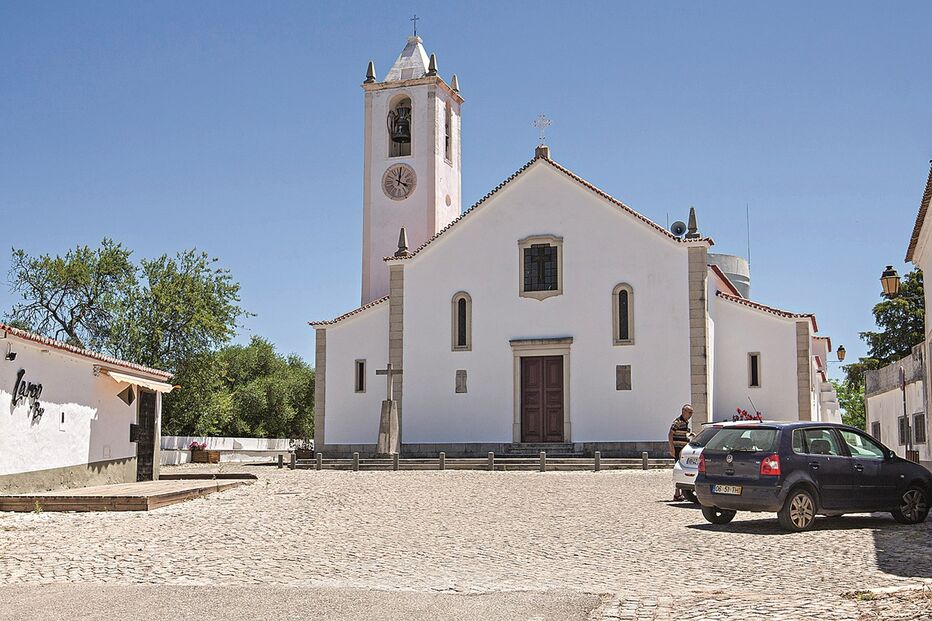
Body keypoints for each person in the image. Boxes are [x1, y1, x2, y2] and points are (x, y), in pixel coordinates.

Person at [668, 404, 694, 501]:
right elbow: (670, 433)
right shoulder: (677, 422)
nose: (691, 415)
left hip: (683, 449)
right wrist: (671, 448)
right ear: (684, 412)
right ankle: (677, 494)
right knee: (680, 469)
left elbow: (682, 435)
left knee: (682, 470)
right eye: (690, 412)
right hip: (678, 449)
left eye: (692, 412)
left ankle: (679, 493)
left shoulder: (685, 422)